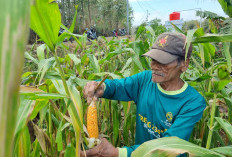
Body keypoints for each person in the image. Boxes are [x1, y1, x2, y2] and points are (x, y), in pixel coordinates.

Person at [82, 32, 206, 157]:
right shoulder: (145, 79)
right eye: (153, 59)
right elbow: (119, 86)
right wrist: (101, 86)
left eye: (163, 61)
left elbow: (169, 147)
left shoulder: (193, 102)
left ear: (184, 64)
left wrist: (118, 153)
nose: (154, 66)